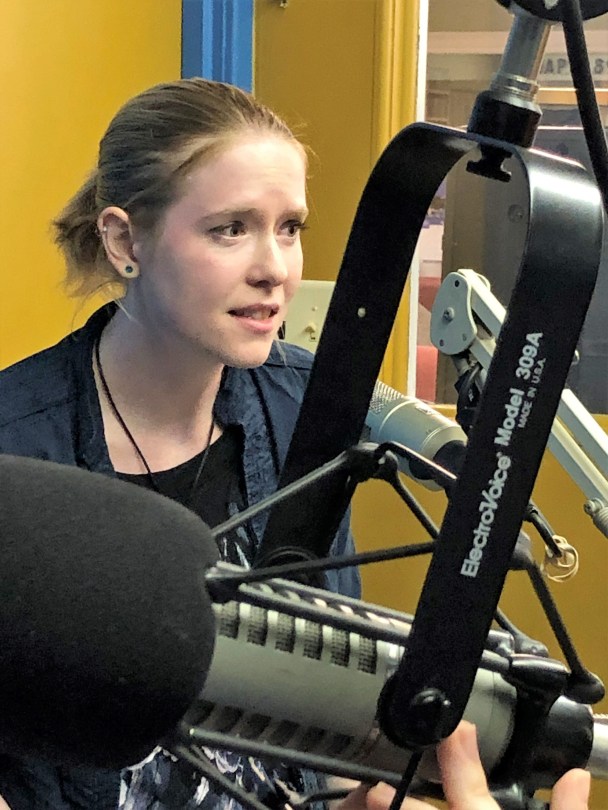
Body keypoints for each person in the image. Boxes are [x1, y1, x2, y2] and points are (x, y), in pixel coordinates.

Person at [0, 78, 591, 810]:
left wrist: (354, 801)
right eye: (230, 229)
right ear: (125, 240)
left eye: (290, 228)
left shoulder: (308, 407)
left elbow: (326, 713)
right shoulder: (15, 448)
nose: (275, 268)